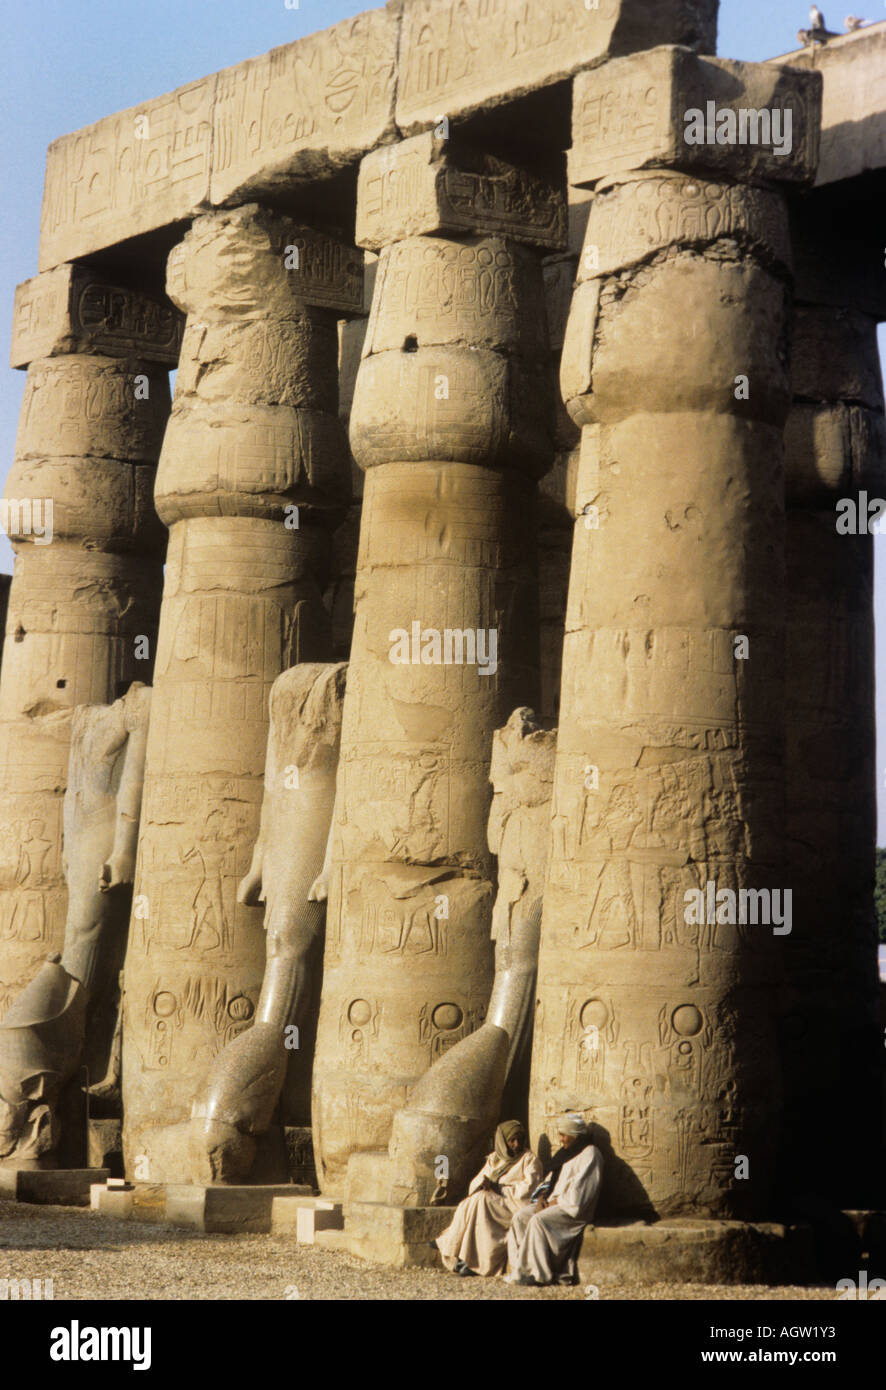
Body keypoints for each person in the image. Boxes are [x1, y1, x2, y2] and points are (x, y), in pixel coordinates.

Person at [504, 1114, 603, 1285]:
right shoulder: (565, 1154)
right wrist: (542, 1198)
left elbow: (580, 1195)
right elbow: (549, 1180)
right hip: (552, 1202)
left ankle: (538, 1274)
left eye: (564, 1135)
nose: (561, 1139)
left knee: (538, 1220)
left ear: (575, 1135)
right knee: (520, 1217)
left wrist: (550, 1204)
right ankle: (520, 1268)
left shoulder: (590, 1155)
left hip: (571, 1210)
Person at [435, 1120, 542, 1277]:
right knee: (470, 1202)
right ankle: (462, 1256)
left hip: (511, 1204)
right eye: (512, 1140)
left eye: (519, 1139)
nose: (516, 1144)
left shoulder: (529, 1159)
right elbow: (475, 1183)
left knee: (482, 1200)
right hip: (493, 1201)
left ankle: (474, 1260)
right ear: (503, 1141)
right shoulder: (495, 1158)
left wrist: (498, 1188)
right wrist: (484, 1184)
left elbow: (530, 1189)